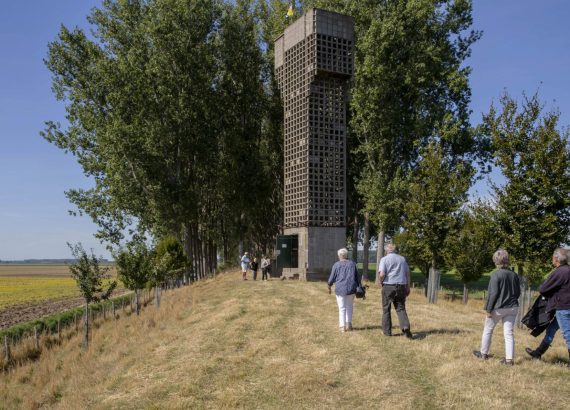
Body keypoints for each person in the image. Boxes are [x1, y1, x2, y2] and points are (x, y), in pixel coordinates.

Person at [473, 249, 520, 365]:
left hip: (498, 308)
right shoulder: (514, 275)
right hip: (513, 307)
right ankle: (509, 360)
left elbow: (493, 293)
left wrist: (489, 309)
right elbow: (518, 292)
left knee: (488, 329)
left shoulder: (495, 274)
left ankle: (483, 354)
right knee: (509, 333)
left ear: (495, 261)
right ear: (507, 260)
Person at [532, 248, 570, 366]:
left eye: (553, 257)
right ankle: (538, 352)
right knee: (551, 329)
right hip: (566, 306)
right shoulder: (568, 269)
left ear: (557, 259)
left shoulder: (559, 272)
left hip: (563, 307)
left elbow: (543, 289)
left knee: (567, 334)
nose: (552, 259)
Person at [377, 243, 413, 339]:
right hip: (401, 286)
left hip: (388, 286)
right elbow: (407, 274)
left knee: (386, 309)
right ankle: (405, 327)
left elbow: (382, 274)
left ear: (386, 250)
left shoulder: (384, 259)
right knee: (401, 308)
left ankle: (387, 331)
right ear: (395, 250)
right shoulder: (402, 259)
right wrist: (408, 287)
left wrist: (381, 282)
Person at [327, 248, 361, 332]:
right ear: (346, 255)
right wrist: (359, 286)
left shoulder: (336, 265)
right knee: (349, 306)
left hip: (340, 288)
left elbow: (332, 277)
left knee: (342, 308)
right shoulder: (353, 264)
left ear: (339, 256)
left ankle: (342, 327)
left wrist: (329, 284)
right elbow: (358, 277)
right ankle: (348, 324)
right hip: (351, 288)